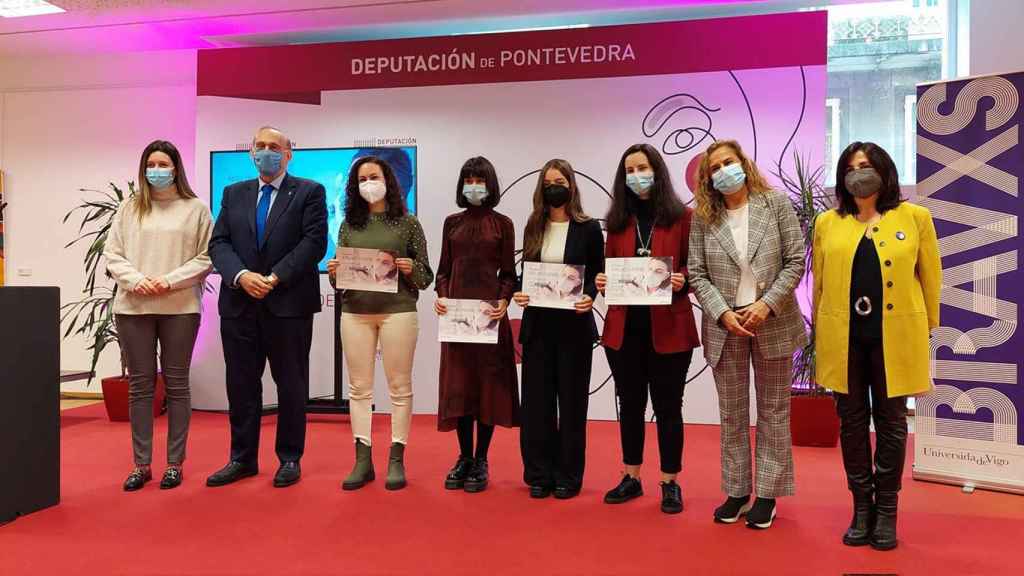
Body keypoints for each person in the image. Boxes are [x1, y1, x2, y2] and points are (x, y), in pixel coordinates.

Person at [814, 142, 941, 551]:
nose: (858, 174)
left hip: (896, 339)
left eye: (866, 166)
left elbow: (931, 278)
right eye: (850, 168)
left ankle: (887, 511)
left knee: (890, 424)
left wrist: (929, 330)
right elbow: (818, 284)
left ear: (883, 171)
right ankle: (861, 508)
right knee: (851, 424)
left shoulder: (915, 217)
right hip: (844, 339)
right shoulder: (827, 222)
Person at [688, 139, 806, 529]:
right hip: (726, 327)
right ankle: (737, 491)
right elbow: (697, 273)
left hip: (771, 320)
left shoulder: (775, 204)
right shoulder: (704, 216)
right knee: (732, 413)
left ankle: (767, 495)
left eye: (728, 162)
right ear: (707, 179)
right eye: (714, 168)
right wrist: (722, 312)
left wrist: (765, 304)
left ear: (743, 163)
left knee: (773, 411)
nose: (723, 171)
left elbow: (794, 261)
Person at [207, 126, 327, 489]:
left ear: (288, 154)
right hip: (239, 304)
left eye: (274, 147)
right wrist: (241, 275)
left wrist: (273, 278)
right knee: (241, 385)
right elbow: (219, 243)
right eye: (259, 146)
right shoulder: (233, 193)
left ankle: (289, 458)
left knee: (291, 384)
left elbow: (314, 243)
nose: (266, 152)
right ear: (250, 153)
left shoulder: (309, 191)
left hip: (288, 304)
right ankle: (242, 458)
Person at [596, 143, 699, 514]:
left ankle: (670, 481)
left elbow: (695, 267)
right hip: (624, 328)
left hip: (669, 328)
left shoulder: (683, 217)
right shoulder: (618, 222)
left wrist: (681, 279)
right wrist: (603, 281)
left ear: (657, 170)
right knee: (630, 406)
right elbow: (608, 267)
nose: (636, 176)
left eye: (642, 167)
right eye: (630, 171)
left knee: (669, 407)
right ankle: (631, 475)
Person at [104, 140, 212, 491]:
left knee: (177, 385)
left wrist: (168, 281)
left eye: (164, 164)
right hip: (133, 306)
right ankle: (141, 464)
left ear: (176, 168)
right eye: (152, 163)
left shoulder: (195, 209)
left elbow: (206, 257)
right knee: (140, 386)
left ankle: (174, 464)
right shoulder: (128, 208)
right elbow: (113, 254)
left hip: (180, 307)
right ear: (143, 168)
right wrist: (137, 282)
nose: (158, 170)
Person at [328, 156, 433, 491]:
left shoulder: (407, 222)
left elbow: (426, 276)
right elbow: (341, 279)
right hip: (355, 312)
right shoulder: (348, 224)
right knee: (359, 389)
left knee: (399, 388)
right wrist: (334, 275)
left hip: (398, 311)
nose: (368, 183)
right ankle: (362, 459)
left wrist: (408, 268)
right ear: (354, 186)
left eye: (374, 176)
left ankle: (396, 459)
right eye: (361, 179)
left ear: (388, 180)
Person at [513, 158, 604, 500]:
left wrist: (591, 297)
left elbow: (597, 273)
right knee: (536, 404)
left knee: (572, 403)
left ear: (571, 185)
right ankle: (539, 473)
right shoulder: (533, 225)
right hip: (537, 326)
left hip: (574, 327)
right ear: (541, 188)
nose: (555, 186)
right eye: (548, 181)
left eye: (560, 180)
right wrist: (520, 292)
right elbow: (526, 275)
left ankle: (568, 475)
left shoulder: (589, 228)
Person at [434, 156, 519, 493]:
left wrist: (502, 301)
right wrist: (441, 296)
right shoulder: (451, 223)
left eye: (479, 179)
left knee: (487, 388)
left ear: (490, 184)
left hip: (489, 320)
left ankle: (482, 458)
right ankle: (463, 456)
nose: (473, 186)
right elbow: (442, 271)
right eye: (468, 179)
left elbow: (510, 276)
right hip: (456, 321)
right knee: (460, 387)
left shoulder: (503, 224)